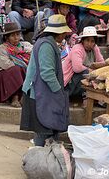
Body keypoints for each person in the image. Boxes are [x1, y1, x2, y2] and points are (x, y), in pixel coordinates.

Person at [20, 14, 71, 147]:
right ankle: (40, 159)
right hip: (37, 93)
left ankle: (43, 157)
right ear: (58, 32)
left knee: (44, 129)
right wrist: (58, 91)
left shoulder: (48, 43)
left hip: (40, 92)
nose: (65, 34)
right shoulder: (46, 45)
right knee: (43, 130)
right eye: (64, 32)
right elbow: (47, 72)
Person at [63, 26, 104, 106]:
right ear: (83, 40)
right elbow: (77, 68)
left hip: (81, 80)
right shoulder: (77, 48)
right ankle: (84, 96)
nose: (89, 44)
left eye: (92, 41)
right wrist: (92, 71)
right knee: (85, 72)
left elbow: (102, 63)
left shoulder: (95, 48)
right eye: (87, 40)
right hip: (69, 84)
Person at [0, 22, 32, 107]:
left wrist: (20, 52)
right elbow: (6, 65)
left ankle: (23, 96)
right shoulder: (3, 48)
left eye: (18, 34)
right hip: (3, 76)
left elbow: (34, 50)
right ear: (7, 38)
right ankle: (15, 97)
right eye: (12, 36)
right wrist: (22, 61)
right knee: (17, 69)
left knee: (28, 69)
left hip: (19, 73)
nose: (16, 38)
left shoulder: (24, 45)